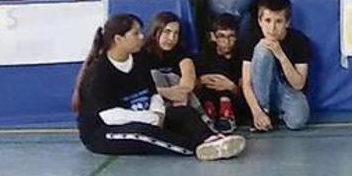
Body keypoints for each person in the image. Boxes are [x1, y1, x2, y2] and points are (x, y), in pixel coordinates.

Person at [76, 14, 245, 160]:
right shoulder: (98, 73)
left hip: (144, 115)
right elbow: (110, 116)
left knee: (183, 112)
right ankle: (196, 148)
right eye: (136, 33)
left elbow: (153, 93)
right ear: (118, 39)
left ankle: (211, 138)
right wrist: (150, 118)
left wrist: (158, 113)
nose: (142, 37)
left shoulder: (138, 60)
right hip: (105, 131)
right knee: (144, 132)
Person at [241, 0, 311, 131]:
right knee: (262, 49)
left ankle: (276, 114)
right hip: (259, 89)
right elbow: (247, 83)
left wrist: (280, 54)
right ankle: (265, 112)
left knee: (298, 120)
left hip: (285, 89)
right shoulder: (251, 39)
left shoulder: (299, 41)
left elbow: (299, 84)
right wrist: (257, 113)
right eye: (267, 21)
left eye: (278, 21)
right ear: (260, 21)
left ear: (287, 22)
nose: (272, 28)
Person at [143, 13, 200, 113]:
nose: (171, 38)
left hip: (181, 101)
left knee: (174, 78)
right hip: (154, 101)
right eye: (167, 32)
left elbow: (189, 77)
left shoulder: (181, 53)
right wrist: (167, 92)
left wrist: (181, 95)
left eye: (176, 33)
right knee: (155, 74)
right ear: (156, 31)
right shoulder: (142, 53)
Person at [197, 13, 244, 134]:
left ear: (237, 36)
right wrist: (202, 80)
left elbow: (245, 89)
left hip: (235, 102)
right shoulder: (205, 55)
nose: (227, 42)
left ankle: (226, 112)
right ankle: (210, 112)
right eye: (221, 36)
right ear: (213, 36)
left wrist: (231, 87)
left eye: (231, 36)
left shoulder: (242, 56)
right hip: (209, 97)